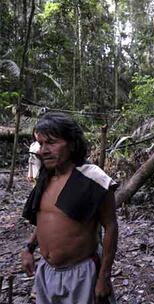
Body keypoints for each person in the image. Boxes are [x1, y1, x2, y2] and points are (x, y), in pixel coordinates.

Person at [21, 112, 118, 304]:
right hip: (47, 271)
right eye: (40, 144)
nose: (43, 150)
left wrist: (103, 277)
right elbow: (45, 220)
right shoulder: (46, 177)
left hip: (81, 273)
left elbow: (111, 226)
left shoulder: (92, 178)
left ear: (72, 143)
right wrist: (29, 248)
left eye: (51, 142)